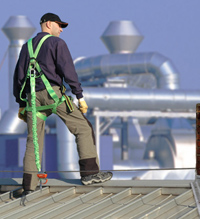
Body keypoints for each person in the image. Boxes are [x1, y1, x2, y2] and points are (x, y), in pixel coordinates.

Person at [13, 12, 112, 193]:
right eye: (59, 26)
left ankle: (28, 186)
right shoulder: (56, 43)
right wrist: (79, 96)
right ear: (48, 24)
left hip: (33, 101)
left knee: (33, 141)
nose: (61, 30)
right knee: (83, 128)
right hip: (53, 96)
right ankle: (89, 174)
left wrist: (21, 103)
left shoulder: (26, 47)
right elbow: (68, 70)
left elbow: (19, 77)